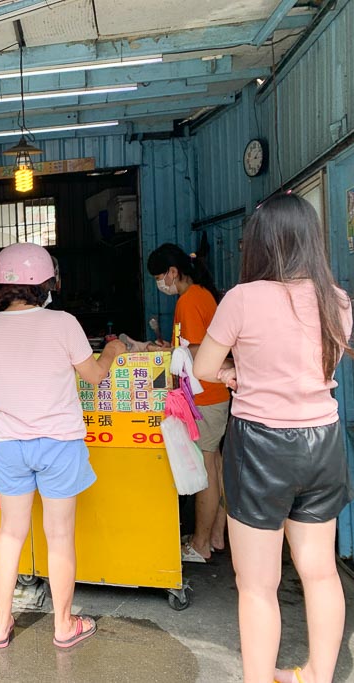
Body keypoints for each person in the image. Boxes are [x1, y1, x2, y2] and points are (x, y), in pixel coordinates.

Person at [194, 193, 353, 683]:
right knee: (321, 571)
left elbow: (203, 368)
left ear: (259, 244)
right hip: (323, 443)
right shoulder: (338, 299)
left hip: (262, 447)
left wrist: (237, 374)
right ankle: (317, 676)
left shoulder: (243, 299)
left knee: (258, 584)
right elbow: (328, 362)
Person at [0, 243, 126, 650]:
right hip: (59, 443)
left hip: (8, 444)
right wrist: (111, 350)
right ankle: (63, 625)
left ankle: (1, 624)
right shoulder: (64, 323)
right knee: (59, 537)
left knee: (10, 533)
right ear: (45, 283)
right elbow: (92, 376)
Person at [147, 243, 230, 562]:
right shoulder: (201, 297)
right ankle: (215, 537)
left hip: (204, 398)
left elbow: (195, 353)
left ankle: (200, 544)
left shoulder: (190, 300)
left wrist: (167, 354)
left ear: (173, 272)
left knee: (205, 470)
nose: (160, 283)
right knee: (216, 466)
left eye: (159, 276)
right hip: (212, 396)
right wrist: (172, 348)